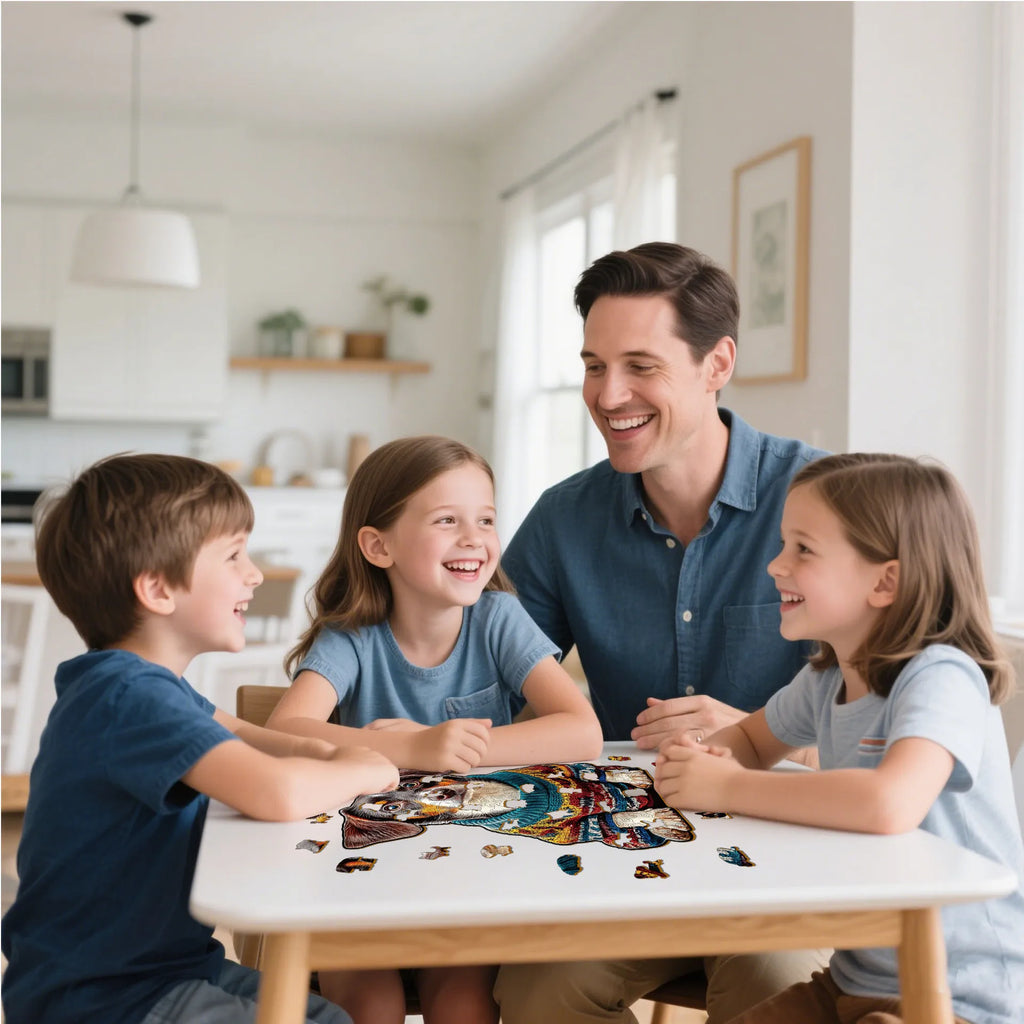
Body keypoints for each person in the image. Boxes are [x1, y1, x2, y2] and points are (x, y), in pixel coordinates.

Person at [496, 242, 828, 1023]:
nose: (609, 396)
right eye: (593, 365)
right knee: (535, 989)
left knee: (776, 983)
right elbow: (484, 676)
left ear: (717, 365)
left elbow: (879, 721)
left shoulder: (823, 504)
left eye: (640, 366)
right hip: (619, 850)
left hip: (787, 852)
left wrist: (758, 737)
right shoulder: (562, 519)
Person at [0, 454, 399, 1024]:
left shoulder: (148, 686)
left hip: (161, 966)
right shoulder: (126, 697)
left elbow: (254, 738)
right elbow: (276, 792)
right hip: (100, 998)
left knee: (330, 1016)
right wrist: (368, 770)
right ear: (158, 588)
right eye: (234, 555)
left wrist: (335, 749)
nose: (254, 573)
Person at [656, 453, 1024, 1024]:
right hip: (854, 982)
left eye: (803, 549)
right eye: (783, 545)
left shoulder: (942, 676)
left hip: (957, 997)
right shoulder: (827, 678)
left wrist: (726, 788)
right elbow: (751, 742)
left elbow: (887, 804)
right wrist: (705, 757)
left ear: (886, 581)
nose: (776, 565)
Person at [266, 434, 603, 1024]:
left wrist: (457, 753)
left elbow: (582, 731)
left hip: (468, 871)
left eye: (486, 519)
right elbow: (285, 727)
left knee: (464, 1003)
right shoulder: (352, 635)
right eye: (447, 520)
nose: (474, 538)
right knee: (371, 1004)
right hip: (358, 873)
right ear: (378, 545)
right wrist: (411, 747)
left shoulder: (498, 618)